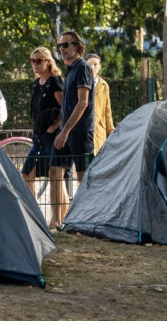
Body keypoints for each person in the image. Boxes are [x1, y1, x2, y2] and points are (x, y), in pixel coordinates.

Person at [48, 30, 95, 229]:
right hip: (66, 131)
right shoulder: (71, 69)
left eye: (66, 45)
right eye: (60, 46)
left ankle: (88, 220)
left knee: (83, 177)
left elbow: (83, 103)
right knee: (54, 170)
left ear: (77, 46)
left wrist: (65, 130)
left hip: (80, 132)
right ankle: (57, 220)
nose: (62, 49)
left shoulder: (83, 67)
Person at [21, 47, 63, 197]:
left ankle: (59, 218)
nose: (34, 64)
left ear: (48, 62)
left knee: (55, 178)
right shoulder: (37, 83)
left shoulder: (55, 81)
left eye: (38, 61)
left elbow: (65, 109)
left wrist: (54, 127)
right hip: (38, 136)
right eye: (32, 61)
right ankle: (34, 214)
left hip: (52, 137)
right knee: (26, 174)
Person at [85, 53, 114, 155]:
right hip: (84, 126)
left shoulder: (104, 85)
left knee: (99, 157)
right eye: (89, 64)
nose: (92, 67)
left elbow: (107, 108)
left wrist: (110, 128)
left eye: (95, 64)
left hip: (99, 127)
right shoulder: (81, 82)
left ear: (99, 67)